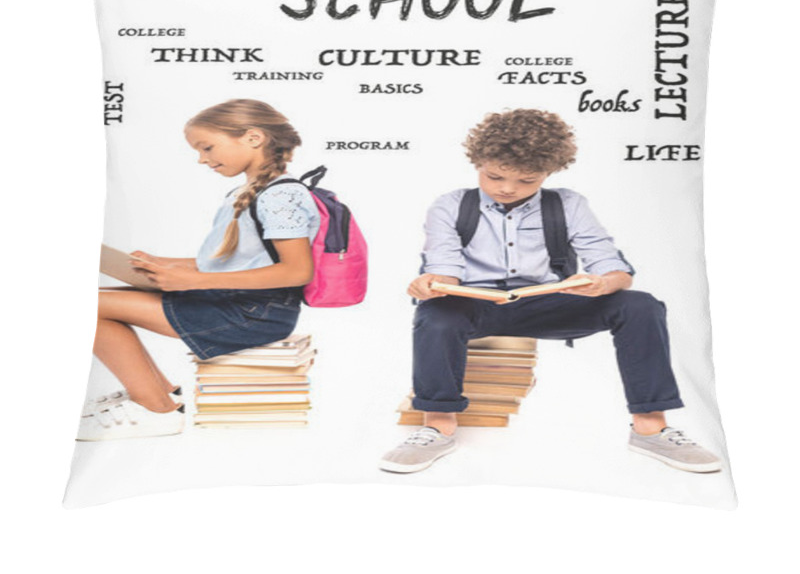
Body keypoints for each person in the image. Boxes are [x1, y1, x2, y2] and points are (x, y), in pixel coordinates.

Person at [379, 108, 721, 474]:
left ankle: (651, 428)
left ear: (549, 171)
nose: (508, 188)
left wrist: (603, 283)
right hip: (474, 305)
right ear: (478, 161)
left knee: (641, 306)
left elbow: (616, 269)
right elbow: (443, 267)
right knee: (434, 315)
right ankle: (437, 424)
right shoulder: (450, 206)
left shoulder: (568, 205)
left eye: (527, 180)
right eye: (494, 176)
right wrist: (429, 285)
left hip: (549, 303)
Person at [77, 99, 320, 441]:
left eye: (207, 147)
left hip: (253, 313)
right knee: (96, 300)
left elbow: (297, 271)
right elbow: (237, 262)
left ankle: (156, 410)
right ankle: (163, 396)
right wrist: (164, 265)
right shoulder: (250, 191)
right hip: (236, 302)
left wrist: (194, 279)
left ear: (253, 137)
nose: (203, 159)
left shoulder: (281, 196)